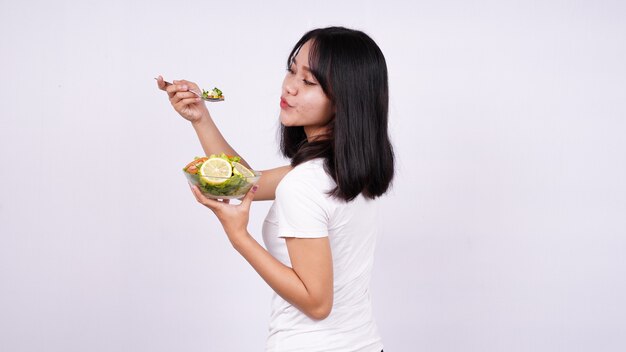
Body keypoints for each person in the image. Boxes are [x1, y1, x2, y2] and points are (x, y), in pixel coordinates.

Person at [157, 26, 394, 352]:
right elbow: (243, 183)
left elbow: (316, 303)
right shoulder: (345, 172)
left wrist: (238, 235)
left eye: (308, 81)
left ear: (345, 100)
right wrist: (201, 118)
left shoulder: (305, 183)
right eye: (292, 69)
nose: (290, 87)